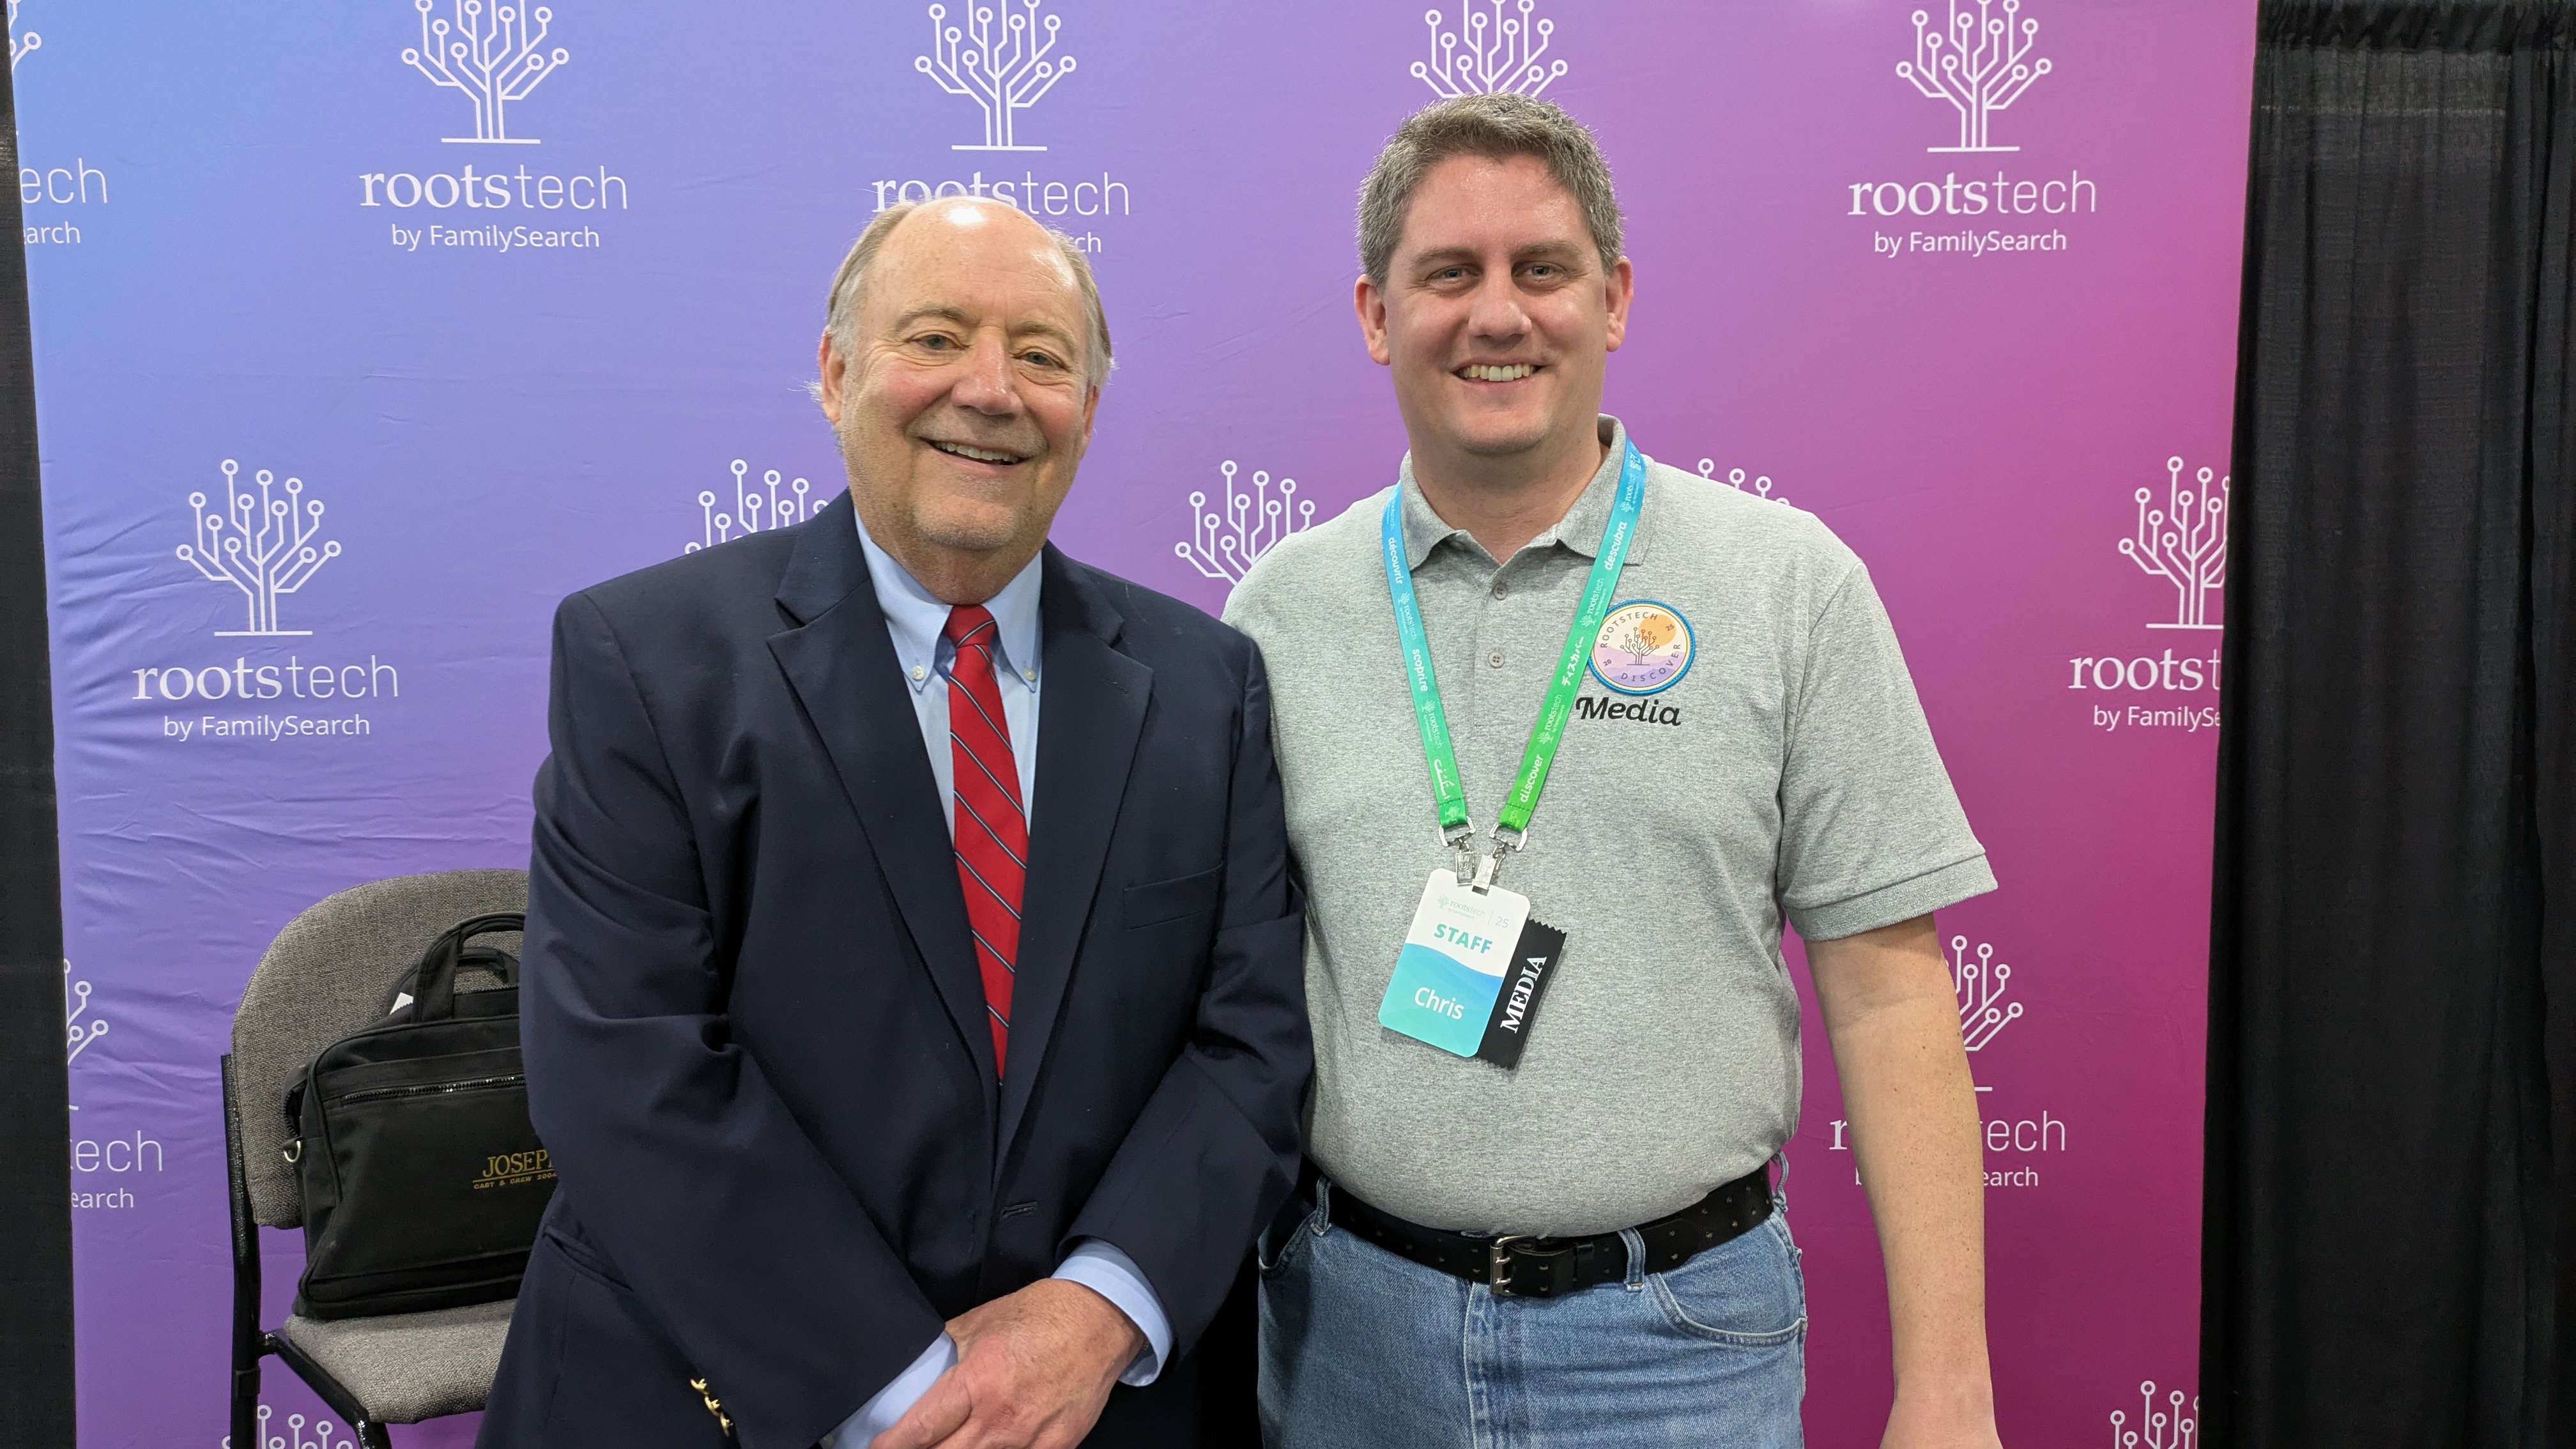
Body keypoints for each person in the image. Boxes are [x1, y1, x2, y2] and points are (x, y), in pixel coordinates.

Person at [1225, 95, 2005, 1448]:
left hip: (1678, 1351)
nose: (1499, 315)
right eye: (1448, 275)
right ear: (1374, 315)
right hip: (1346, 1341)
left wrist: (1947, 1389)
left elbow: (1888, 996)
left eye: (1542, 270)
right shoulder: (1278, 612)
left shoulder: (1787, 584)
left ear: (1615, 297)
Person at [479, 196, 1310, 1449]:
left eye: (1042, 356)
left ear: (1088, 410)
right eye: (934, 338)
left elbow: (1248, 1043)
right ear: (835, 372)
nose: (991, 390)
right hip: (716, 1394)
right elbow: (626, 1066)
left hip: (1094, 1407)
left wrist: (1094, 1318)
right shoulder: (645, 661)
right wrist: (903, 1390)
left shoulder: (1209, 686)